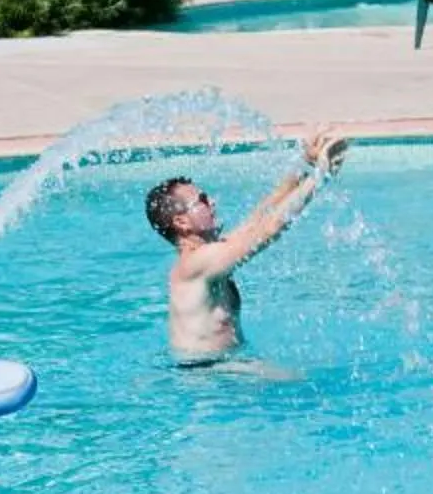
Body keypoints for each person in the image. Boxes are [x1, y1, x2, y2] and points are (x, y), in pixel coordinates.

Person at [145, 129, 348, 365]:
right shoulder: (197, 263)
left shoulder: (210, 253)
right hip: (207, 376)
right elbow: (269, 229)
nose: (213, 202)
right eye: (202, 200)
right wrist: (321, 177)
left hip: (223, 365)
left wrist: (306, 164)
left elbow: (260, 217)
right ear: (181, 222)